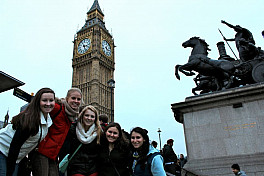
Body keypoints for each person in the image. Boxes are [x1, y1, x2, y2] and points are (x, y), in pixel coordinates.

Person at [0, 88, 55, 176]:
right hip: (3, 149)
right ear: (38, 102)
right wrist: (10, 171)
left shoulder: (47, 121)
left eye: (51, 100)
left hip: (15, 156)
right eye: (44, 100)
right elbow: (15, 146)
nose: (48, 103)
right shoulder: (30, 120)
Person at [31, 88, 82, 176]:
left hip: (53, 155)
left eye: (78, 99)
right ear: (67, 99)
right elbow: (35, 110)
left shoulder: (72, 115)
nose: (76, 101)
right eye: (73, 98)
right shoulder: (57, 108)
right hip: (41, 152)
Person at [66, 105, 102, 176]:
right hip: (76, 169)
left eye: (92, 116)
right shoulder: (72, 129)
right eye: (87, 115)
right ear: (82, 116)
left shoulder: (99, 133)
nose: (89, 118)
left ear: (95, 119)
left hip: (92, 169)